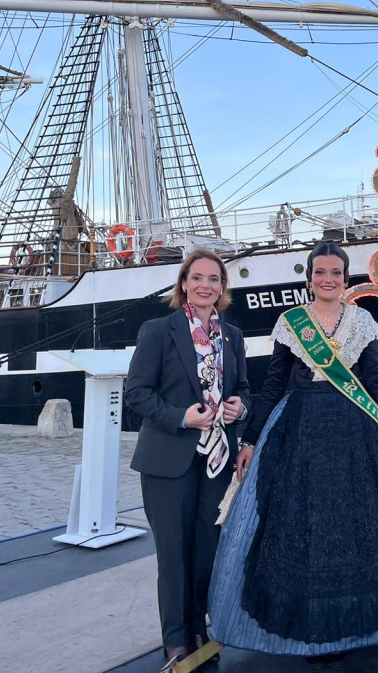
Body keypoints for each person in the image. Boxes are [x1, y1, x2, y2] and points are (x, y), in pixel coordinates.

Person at [207, 242, 378, 660]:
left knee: (352, 525)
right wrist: (250, 440)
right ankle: (310, 625)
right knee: (305, 526)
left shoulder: (362, 320)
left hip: (354, 436)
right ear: (309, 279)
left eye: (336, 273)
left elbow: (375, 383)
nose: (328, 279)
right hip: (301, 434)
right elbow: (274, 384)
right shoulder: (291, 322)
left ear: (345, 278)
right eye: (320, 272)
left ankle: (351, 627)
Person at [126, 249, 251, 667]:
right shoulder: (158, 331)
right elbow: (136, 393)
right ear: (183, 283)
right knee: (174, 556)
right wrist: (182, 417)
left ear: (222, 287)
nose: (205, 286)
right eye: (197, 278)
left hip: (215, 462)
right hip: (168, 462)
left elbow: (244, 389)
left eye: (213, 279)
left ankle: (200, 630)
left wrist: (240, 408)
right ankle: (176, 642)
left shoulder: (231, 336)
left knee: (205, 554)